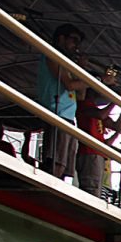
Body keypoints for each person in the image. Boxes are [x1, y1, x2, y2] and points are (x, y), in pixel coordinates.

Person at [34, 23, 89, 180]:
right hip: (56, 113)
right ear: (61, 39)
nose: (76, 46)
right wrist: (99, 81)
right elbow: (69, 85)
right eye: (74, 40)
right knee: (56, 162)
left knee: (65, 165)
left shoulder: (67, 64)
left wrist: (82, 71)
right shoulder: (52, 56)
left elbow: (81, 95)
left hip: (68, 118)